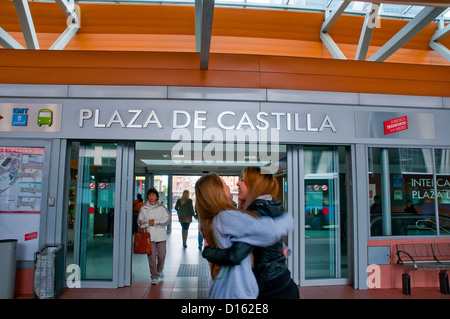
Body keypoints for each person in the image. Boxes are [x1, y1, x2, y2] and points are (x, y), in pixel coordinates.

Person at [202, 167, 299, 299]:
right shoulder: (272, 206)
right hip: (281, 282)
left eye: (242, 180)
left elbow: (236, 254)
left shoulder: (255, 214)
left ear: (254, 186)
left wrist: (207, 252)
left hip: (270, 291)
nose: (237, 183)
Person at [138, 188, 171, 285]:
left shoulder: (162, 208)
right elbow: (139, 222)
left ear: (157, 197)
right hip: (149, 236)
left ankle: (159, 269)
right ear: (147, 196)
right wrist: (148, 222)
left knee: (162, 255)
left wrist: (155, 222)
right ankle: (154, 276)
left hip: (161, 236)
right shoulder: (143, 209)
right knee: (151, 257)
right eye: (149, 195)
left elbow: (167, 219)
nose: (151, 197)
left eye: (153, 195)